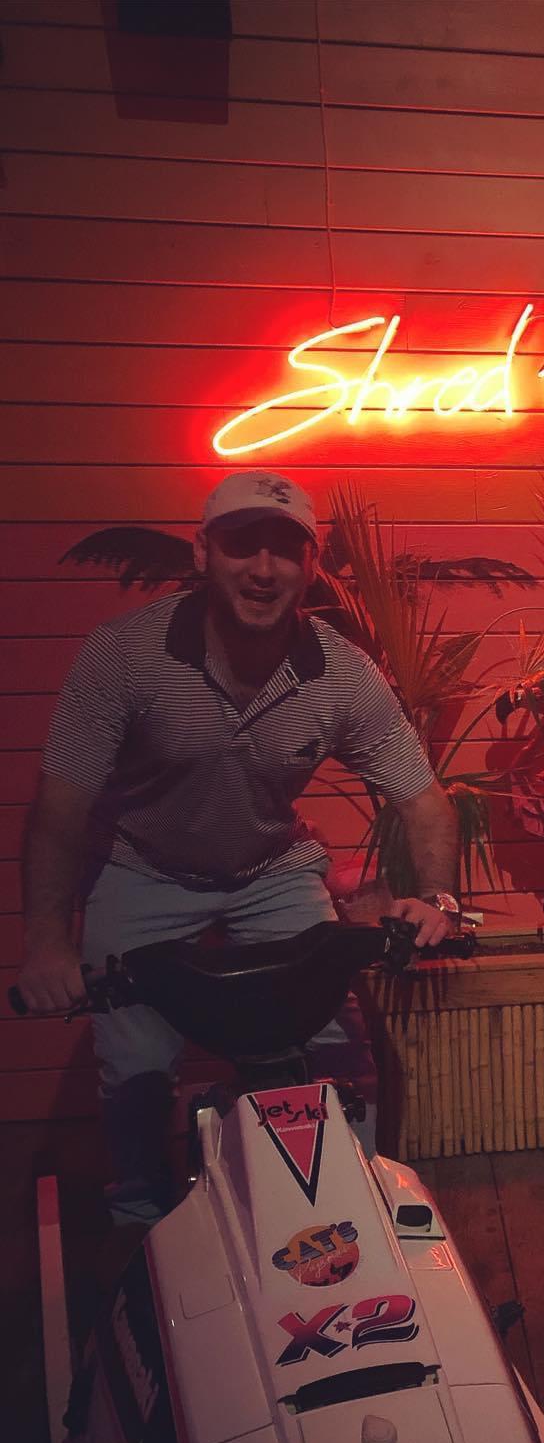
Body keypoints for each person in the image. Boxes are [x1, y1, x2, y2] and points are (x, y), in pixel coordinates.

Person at [17, 470, 460, 1222]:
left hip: (270, 868)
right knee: (136, 1067)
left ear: (310, 566)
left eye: (285, 550)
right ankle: (140, 1214)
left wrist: (439, 897)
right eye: (240, 546)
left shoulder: (340, 672)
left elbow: (422, 798)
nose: (263, 569)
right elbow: (61, 810)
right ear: (203, 553)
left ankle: (353, 1207)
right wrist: (48, 945)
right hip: (141, 866)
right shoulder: (125, 655)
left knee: (335, 1048)